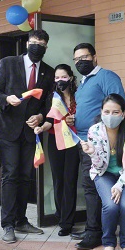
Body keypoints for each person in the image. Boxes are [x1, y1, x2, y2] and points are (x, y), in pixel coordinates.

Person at [0, 30, 55, 243]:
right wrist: (7, 99)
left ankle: (21, 219)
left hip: (30, 132)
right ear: (27, 43)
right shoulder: (8, 63)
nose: (38, 46)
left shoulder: (48, 71)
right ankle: (8, 224)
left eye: (43, 43)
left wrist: (40, 116)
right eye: (35, 42)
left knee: (26, 176)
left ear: (46, 47)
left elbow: (47, 103)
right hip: (8, 130)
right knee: (10, 175)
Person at [72, 43, 125, 250]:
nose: (80, 62)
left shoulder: (107, 76)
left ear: (95, 57)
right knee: (88, 186)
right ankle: (92, 227)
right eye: (76, 59)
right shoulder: (84, 82)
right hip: (83, 140)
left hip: (99, 141)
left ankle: (95, 233)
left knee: (92, 186)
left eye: (84, 57)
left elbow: (119, 104)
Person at [80, 94, 125, 250]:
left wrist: (119, 185)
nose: (110, 116)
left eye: (115, 112)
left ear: (123, 113)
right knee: (111, 205)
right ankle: (108, 243)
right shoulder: (95, 130)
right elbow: (99, 166)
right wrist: (93, 153)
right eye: (106, 111)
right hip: (104, 173)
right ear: (101, 112)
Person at [33, 64, 80, 236]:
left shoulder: (79, 96)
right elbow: (49, 120)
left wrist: (76, 119)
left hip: (74, 141)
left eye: (64, 77)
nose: (60, 81)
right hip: (56, 140)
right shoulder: (52, 98)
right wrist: (41, 128)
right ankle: (61, 217)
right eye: (57, 78)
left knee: (70, 179)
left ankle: (68, 222)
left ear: (71, 78)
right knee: (58, 179)